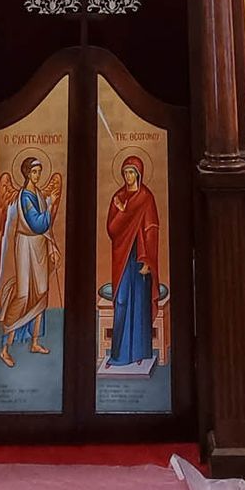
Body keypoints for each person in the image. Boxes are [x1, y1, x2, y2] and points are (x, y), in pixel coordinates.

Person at [0, 156, 60, 368]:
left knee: (41, 291)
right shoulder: (25, 197)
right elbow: (37, 223)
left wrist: (52, 245)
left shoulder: (38, 194)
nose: (38, 175)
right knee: (23, 294)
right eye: (34, 172)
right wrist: (49, 209)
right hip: (25, 245)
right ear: (27, 174)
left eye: (39, 171)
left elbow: (45, 230)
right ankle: (5, 346)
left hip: (39, 245)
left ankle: (35, 341)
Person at [105, 155, 161, 369]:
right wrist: (122, 212)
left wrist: (149, 261)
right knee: (121, 301)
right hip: (122, 256)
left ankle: (140, 352)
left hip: (140, 256)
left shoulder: (146, 197)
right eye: (125, 172)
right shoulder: (118, 197)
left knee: (139, 303)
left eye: (131, 172)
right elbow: (112, 230)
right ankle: (118, 354)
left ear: (138, 174)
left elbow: (151, 229)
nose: (128, 176)